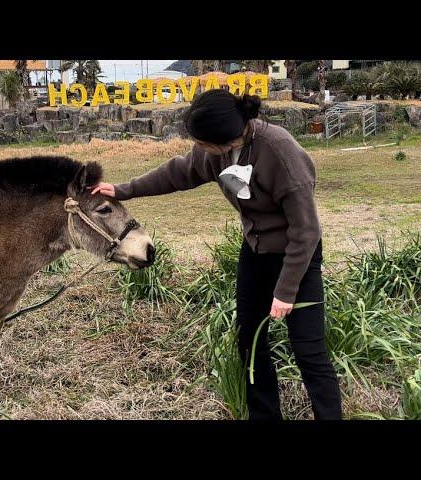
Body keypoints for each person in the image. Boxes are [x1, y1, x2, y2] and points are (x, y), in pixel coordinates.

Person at [91, 89, 343, 420]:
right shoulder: (216, 152)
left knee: (309, 351)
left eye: (202, 143)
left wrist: (285, 291)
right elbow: (177, 173)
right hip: (255, 252)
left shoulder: (279, 152)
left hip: (297, 257)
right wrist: (124, 189)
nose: (199, 150)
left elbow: (306, 231)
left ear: (226, 138)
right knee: (250, 342)